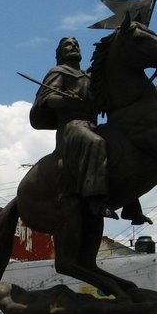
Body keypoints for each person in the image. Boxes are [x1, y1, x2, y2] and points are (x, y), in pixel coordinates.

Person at [29, 37, 118, 219]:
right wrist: (65, 99)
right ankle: (95, 199)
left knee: (121, 145)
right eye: (68, 44)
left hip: (93, 125)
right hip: (72, 128)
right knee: (96, 143)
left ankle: (132, 206)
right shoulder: (58, 72)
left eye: (76, 43)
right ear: (60, 53)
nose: (74, 46)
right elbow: (47, 99)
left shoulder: (91, 76)